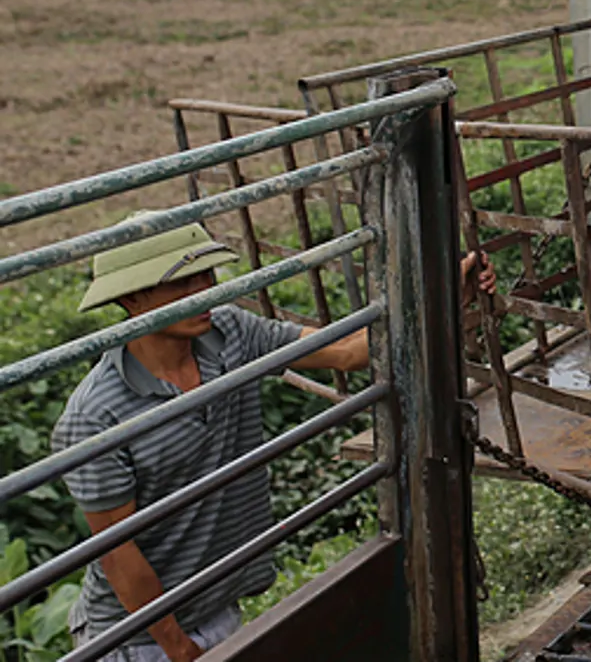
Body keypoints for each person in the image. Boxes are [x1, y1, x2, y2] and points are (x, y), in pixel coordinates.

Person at [53, 215, 496, 661]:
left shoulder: (231, 334)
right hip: (139, 641)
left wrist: (444, 298)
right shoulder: (95, 416)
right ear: (132, 298)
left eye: (206, 275)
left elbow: (346, 351)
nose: (202, 290)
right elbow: (118, 555)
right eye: (181, 283)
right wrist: (178, 649)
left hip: (216, 610)